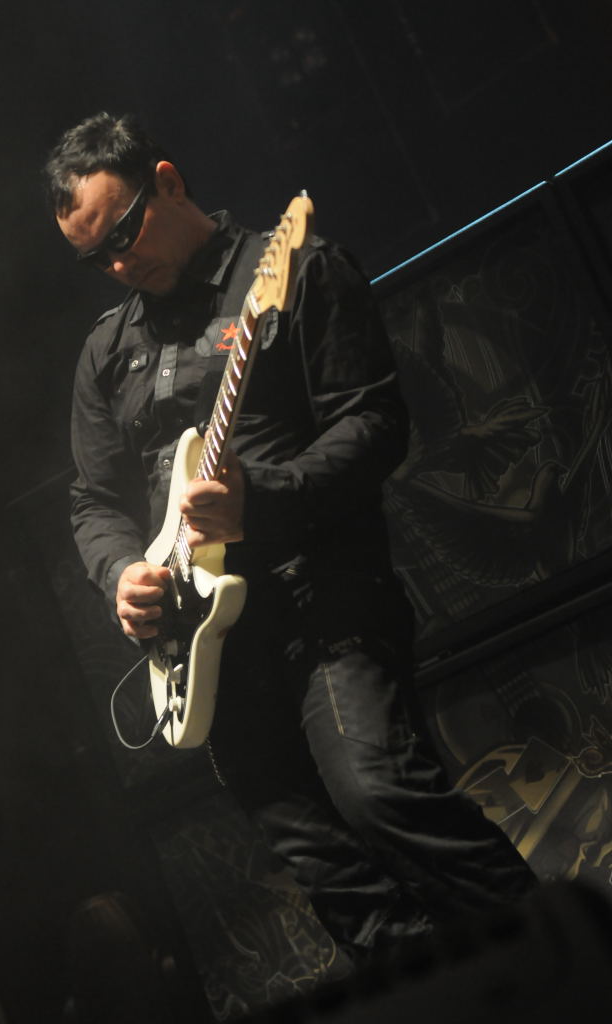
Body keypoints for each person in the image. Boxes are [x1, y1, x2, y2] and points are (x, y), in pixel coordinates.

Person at [44, 112, 536, 967]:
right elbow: (94, 501)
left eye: (122, 235)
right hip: (207, 645)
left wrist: (260, 500)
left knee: (379, 794)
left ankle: (567, 954)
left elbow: (375, 423)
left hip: (324, 599)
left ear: (167, 181)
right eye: (96, 259)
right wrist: (121, 571)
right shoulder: (107, 354)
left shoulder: (294, 270)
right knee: (325, 867)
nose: (118, 265)